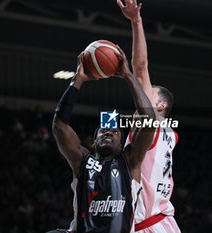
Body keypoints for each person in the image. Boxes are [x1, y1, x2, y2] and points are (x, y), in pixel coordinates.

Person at [48, 47, 156, 233]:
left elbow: (149, 122)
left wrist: (128, 76)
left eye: (115, 132)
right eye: (103, 130)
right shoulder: (82, 161)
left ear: (123, 144)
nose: (108, 133)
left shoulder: (130, 161)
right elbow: (59, 127)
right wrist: (77, 80)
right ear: (92, 142)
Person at [117, 0, 181, 232]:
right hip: (163, 221)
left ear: (161, 105)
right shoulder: (171, 135)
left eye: (149, 94)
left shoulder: (150, 121)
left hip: (149, 224)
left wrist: (136, 21)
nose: (141, 99)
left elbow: (140, 67)